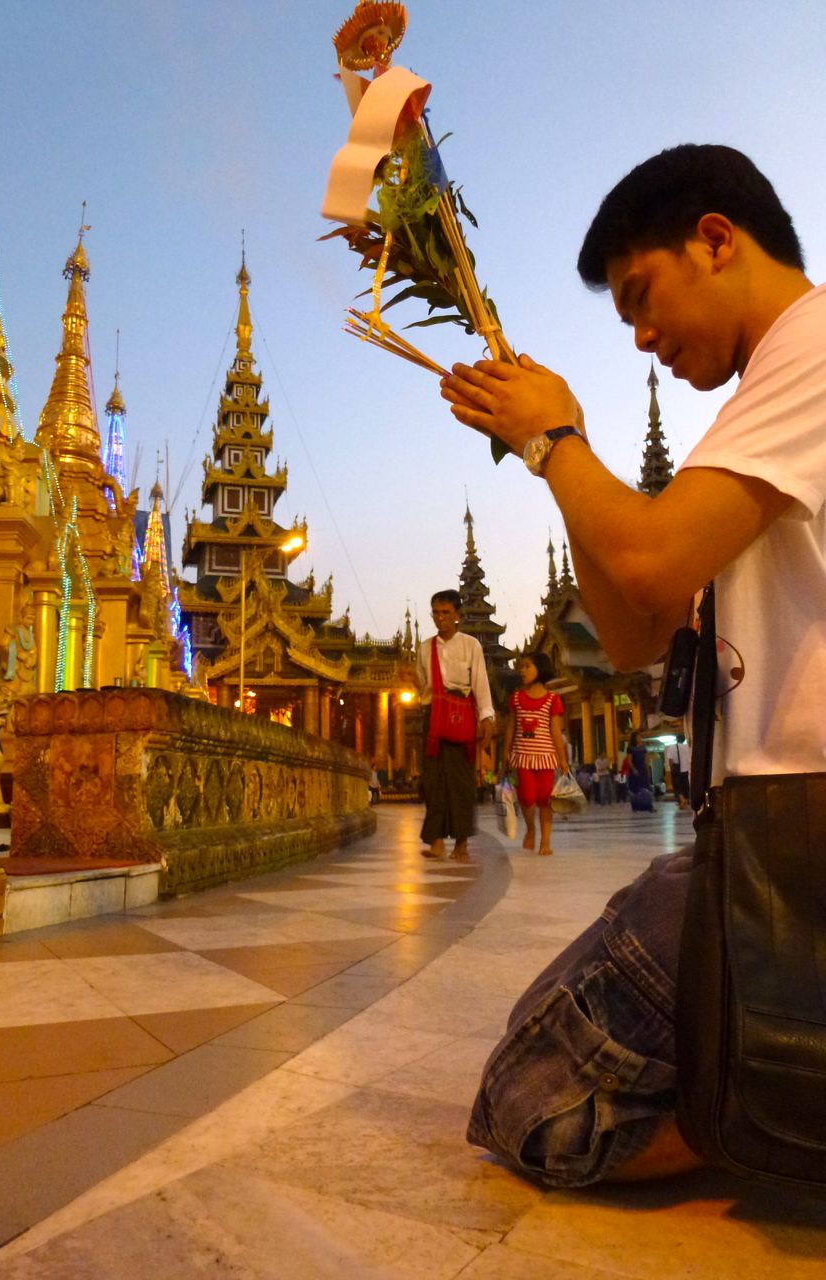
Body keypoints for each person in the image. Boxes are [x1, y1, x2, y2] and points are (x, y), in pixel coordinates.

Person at [440, 143, 823, 1187]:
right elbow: (634, 637)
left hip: (808, 851)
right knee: (541, 1043)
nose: (645, 337)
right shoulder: (762, 405)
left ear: (716, 240)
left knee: (537, 1108)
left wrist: (558, 435)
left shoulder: (817, 347)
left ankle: (770, 1149)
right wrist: (554, 452)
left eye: (643, 298)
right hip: (763, 842)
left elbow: (648, 561)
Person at [416, 589, 495, 861]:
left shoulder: (470, 645)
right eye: (436, 613)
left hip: (461, 716)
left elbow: (480, 683)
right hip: (433, 718)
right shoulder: (425, 648)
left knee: (461, 783)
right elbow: (422, 686)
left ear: (457, 615)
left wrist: (486, 716)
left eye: (446, 613)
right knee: (433, 781)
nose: (441, 619)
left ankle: (461, 844)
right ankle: (436, 841)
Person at [504, 652, 570, 856]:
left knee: (545, 799)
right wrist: (505, 751)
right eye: (521, 667)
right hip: (523, 755)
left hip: (546, 757)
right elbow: (511, 726)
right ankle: (531, 829)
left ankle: (546, 842)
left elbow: (555, 731)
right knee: (527, 797)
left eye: (527, 666)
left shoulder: (552, 700)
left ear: (540, 669)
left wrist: (562, 759)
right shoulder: (516, 698)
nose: (522, 671)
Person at [667, 734, 692, 808]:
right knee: (685, 787)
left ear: (676, 739)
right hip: (686, 770)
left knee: (677, 787)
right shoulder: (687, 747)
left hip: (677, 770)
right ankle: (684, 802)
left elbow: (670, 760)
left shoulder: (671, 747)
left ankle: (682, 800)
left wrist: (672, 769)